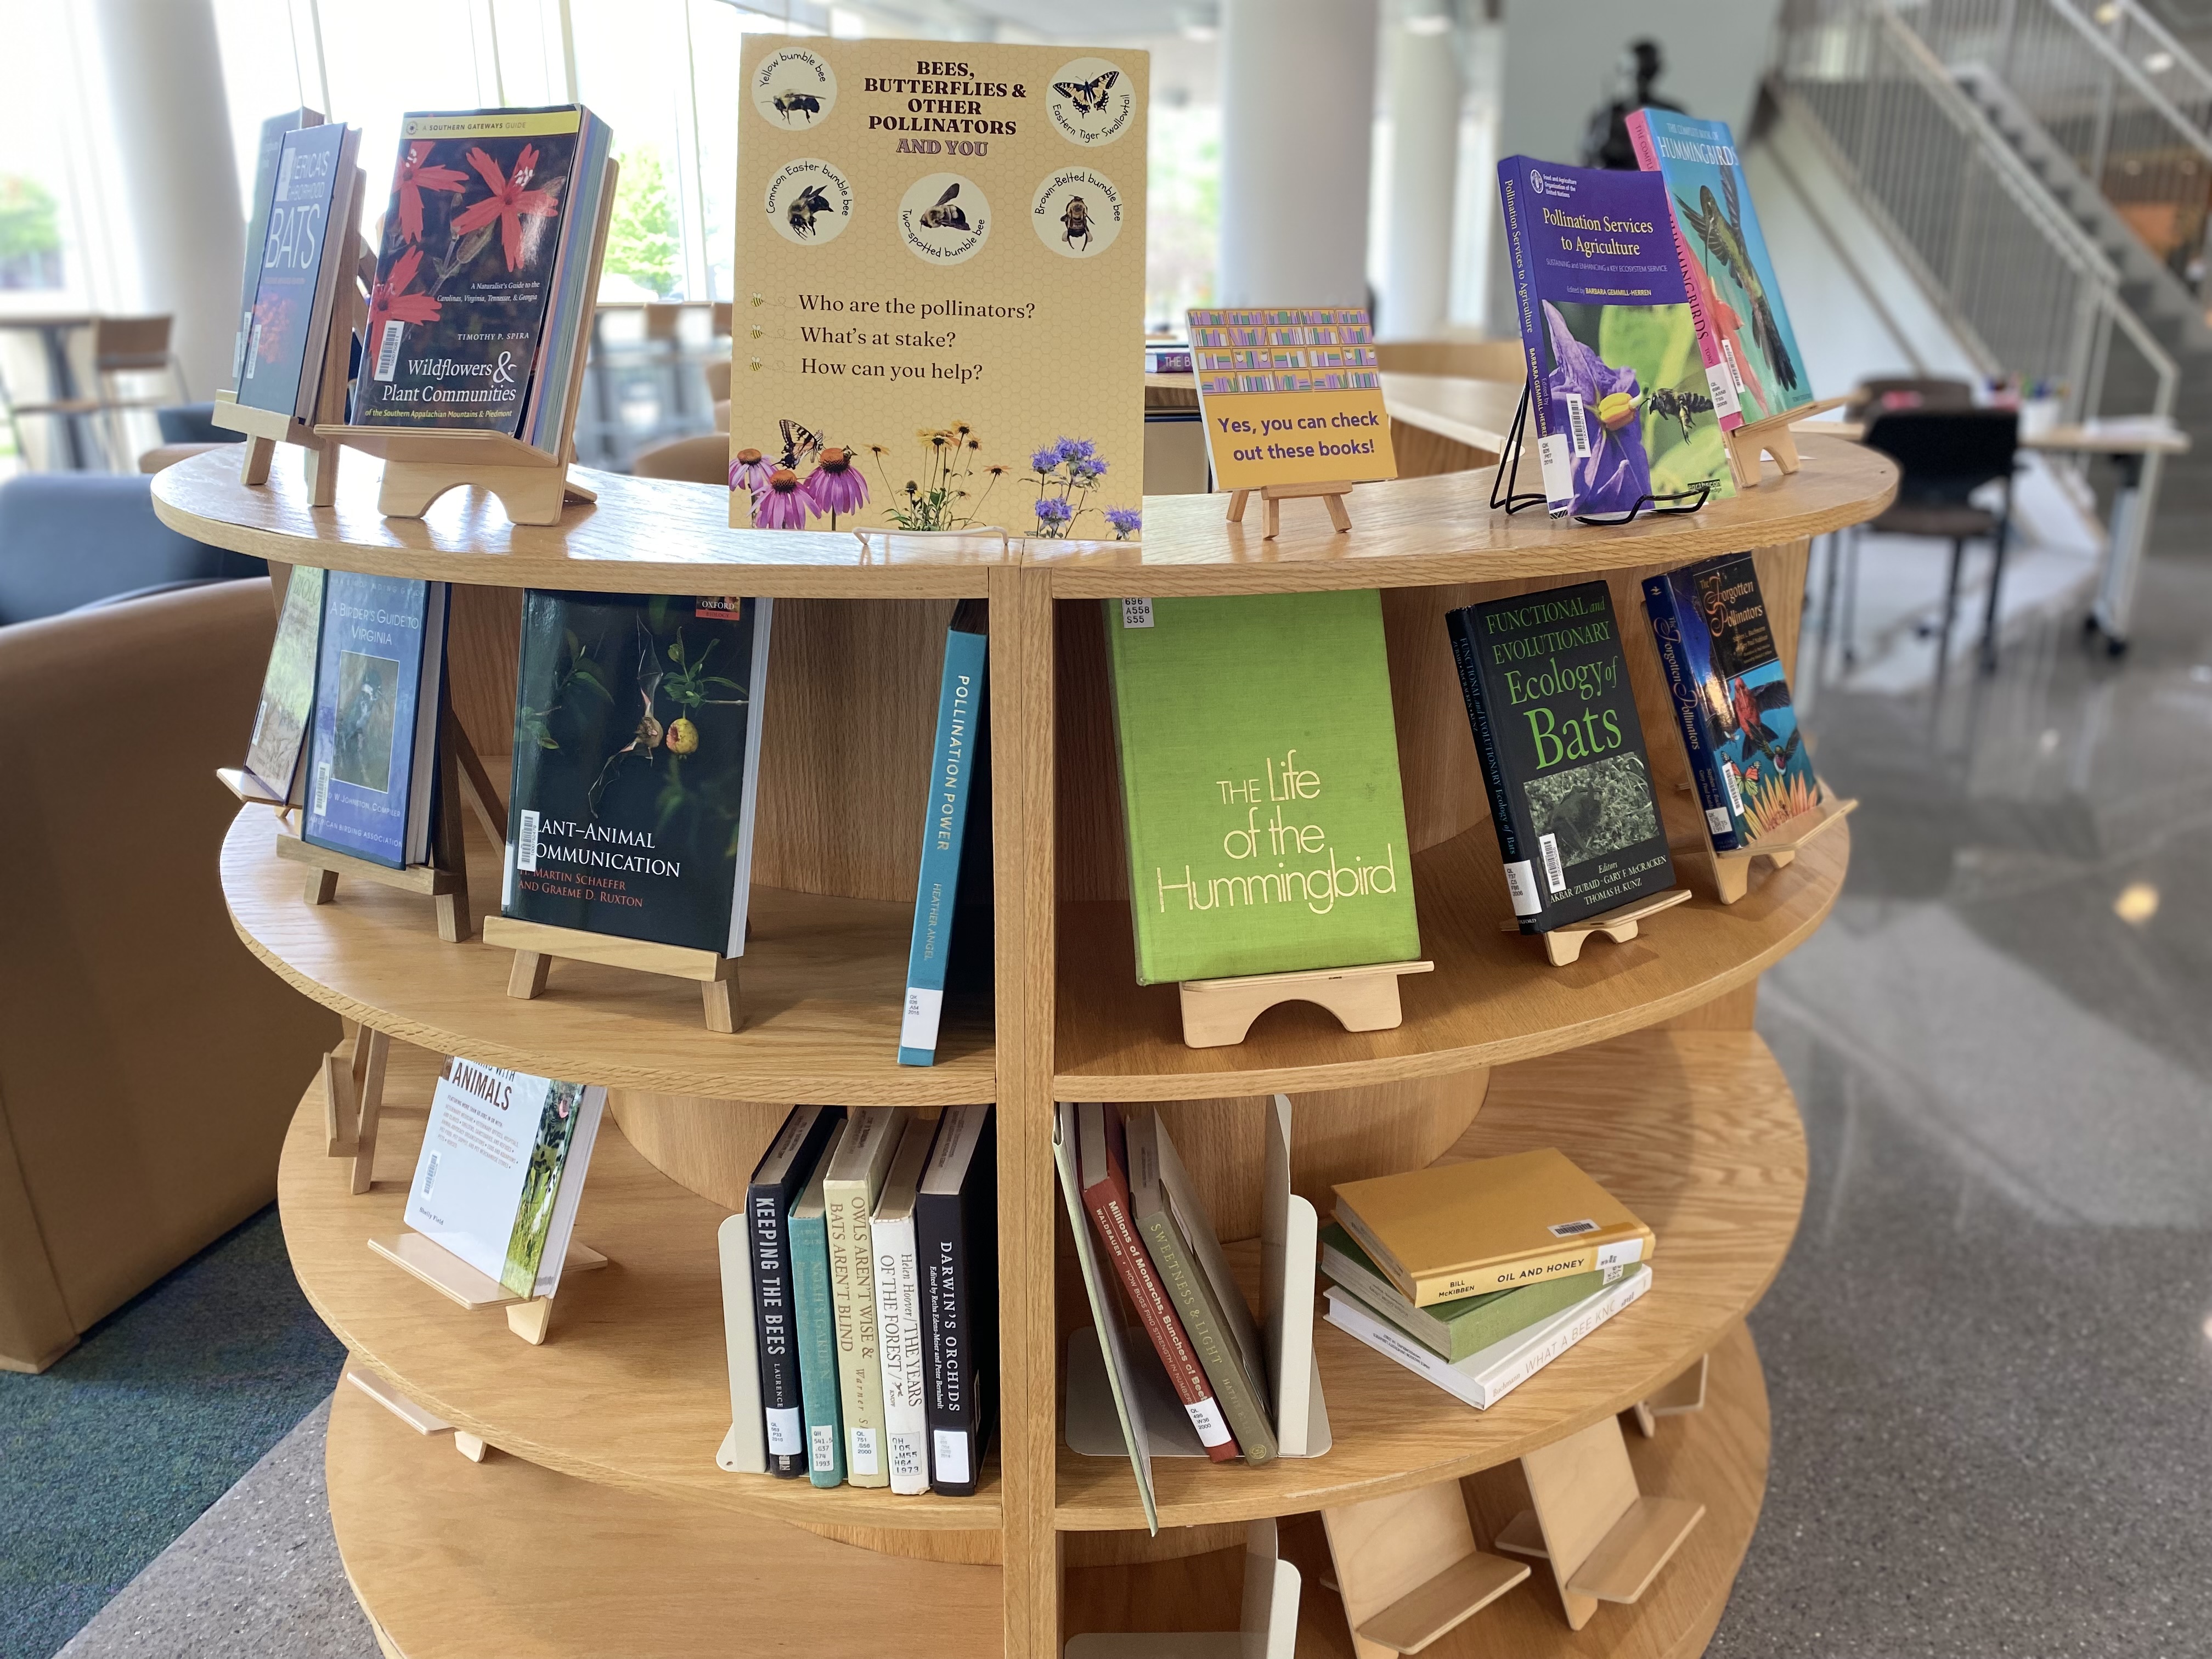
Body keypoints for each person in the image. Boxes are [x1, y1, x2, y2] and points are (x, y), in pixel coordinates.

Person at [1579, 38, 1682, 170]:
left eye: (1646, 73)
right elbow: (1588, 160)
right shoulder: (1604, 117)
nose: (1639, 80)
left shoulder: (1673, 115)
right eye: (1632, 72)